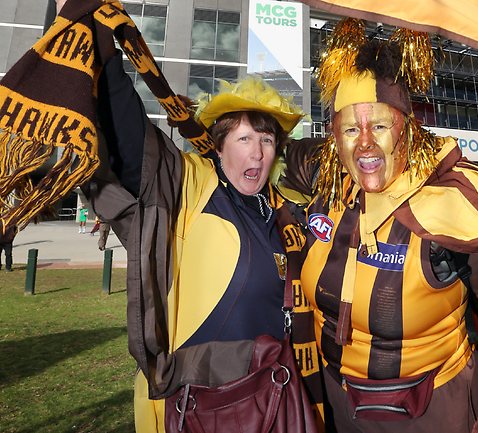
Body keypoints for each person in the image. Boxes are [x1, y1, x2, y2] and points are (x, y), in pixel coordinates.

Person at [278, 19, 478, 433]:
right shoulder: (326, 188)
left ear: (407, 129)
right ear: (333, 139)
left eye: (378, 125)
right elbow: (272, 156)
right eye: (349, 129)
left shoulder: (449, 203)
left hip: (430, 411)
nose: (363, 143)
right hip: (336, 404)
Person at [51, 1, 318, 432]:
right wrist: (102, 48)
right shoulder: (193, 186)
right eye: (244, 137)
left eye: (267, 139)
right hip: (202, 407)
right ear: (219, 144)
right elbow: (130, 136)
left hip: (274, 403)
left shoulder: (283, 211)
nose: (257, 151)